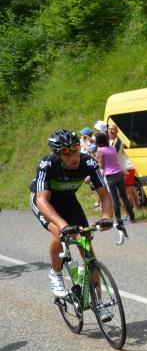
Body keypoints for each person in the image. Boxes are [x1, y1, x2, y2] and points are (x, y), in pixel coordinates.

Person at [30, 129, 114, 312]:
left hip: (69, 201)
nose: (73, 157)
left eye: (75, 150)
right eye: (66, 154)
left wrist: (107, 217)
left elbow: (105, 196)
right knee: (60, 233)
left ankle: (98, 303)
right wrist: (64, 225)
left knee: (86, 246)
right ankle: (56, 273)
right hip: (46, 202)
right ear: (57, 155)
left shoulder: (89, 162)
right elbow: (42, 201)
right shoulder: (47, 164)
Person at [95, 132, 136, 224]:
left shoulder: (100, 150)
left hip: (110, 175)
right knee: (124, 197)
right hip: (119, 172)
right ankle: (132, 217)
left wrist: (95, 161)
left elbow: (101, 165)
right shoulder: (112, 148)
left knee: (115, 198)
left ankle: (118, 219)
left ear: (98, 141)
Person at [108, 122, 140, 210]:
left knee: (125, 192)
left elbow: (113, 154)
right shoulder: (109, 141)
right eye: (109, 129)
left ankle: (128, 213)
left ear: (116, 131)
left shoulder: (118, 141)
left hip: (126, 168)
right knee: (131, 190)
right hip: (124, 167)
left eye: (112, 129)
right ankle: (136, 209)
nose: (110, 130)